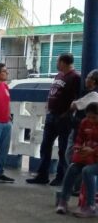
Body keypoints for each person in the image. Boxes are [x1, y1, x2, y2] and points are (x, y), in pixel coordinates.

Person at [26, 53, 81, 186]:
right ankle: (42, 175)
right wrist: (48, 105)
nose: (56, 64)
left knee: (63, 148)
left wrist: (67, 113)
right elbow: (53, 92)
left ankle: (61, 176)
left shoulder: (75, 77)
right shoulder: (59, 76)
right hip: (52, 115)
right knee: (45, 146)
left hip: (64, 117)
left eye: (57, 61)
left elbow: (77, 98)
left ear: (63, 62)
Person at [55, 102, 98, 217]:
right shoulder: (84, 122)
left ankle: (91, 206)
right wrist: (78, 148)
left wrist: (92, 151)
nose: (91, 120)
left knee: (87, 171)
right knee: (72, 168)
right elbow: (79, 139)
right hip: (89, 158)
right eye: (88, 117)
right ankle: (63, 200)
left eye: (94, 117)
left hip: (94, 159)